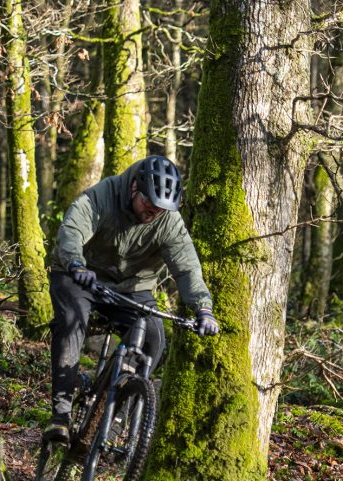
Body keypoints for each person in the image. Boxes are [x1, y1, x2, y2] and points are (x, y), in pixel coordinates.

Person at [43, 154, 219, 445]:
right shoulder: (104, 194)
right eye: (149, 204)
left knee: (154, 339)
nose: (153, 213)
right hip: (81, 275)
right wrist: (76, 263)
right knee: (71, 322)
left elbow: (187, 267)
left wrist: (203, 308)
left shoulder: (168, 221)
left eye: (160, 209)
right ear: (135, 188)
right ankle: (60, 414)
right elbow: (73, 229)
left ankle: (112, 414)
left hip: (131, 288)